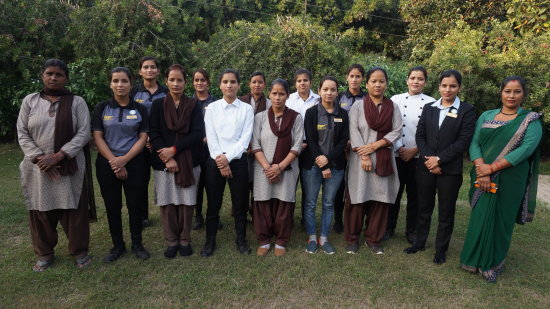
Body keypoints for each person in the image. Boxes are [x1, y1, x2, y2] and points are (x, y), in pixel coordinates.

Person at [460, 76, 542, 282]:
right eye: (507, 91)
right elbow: (474, 142)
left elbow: (526, 149)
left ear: (524, 94)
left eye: (517, 91)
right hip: (481, 175)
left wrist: (492, 168)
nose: (512, 95)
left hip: (510, 178)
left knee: (501, 220)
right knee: (480, 215)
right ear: (501, 92)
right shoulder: (487, 115)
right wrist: (481, 168)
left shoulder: (530, 120)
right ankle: (471, 259)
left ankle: (492, 262)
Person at [17, 59, 93, 272]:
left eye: (59, 74)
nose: (53, 78)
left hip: (68, 165)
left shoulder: (77, 102)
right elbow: (22, 132)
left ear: (66, 78)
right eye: (49, 73)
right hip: (37, 167)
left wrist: (59, 156)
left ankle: (79, 251)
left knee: (74, 210)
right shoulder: (30, 101)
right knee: (40, 210)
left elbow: (84, 133)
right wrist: (40, 158)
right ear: (42, 75)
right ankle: (44, 253)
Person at [404, 70, 476, 265]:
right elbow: (420, 136)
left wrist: (439, 160)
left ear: (459, 88)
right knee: (423, 207)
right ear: (438, 87)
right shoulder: (430, 108)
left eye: (452, 86)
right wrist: (429, 160)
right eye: (444, 85)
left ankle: (441, 250)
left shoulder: (467, 111)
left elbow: (463, 141)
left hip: (449, 171)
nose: (447, 89)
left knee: (446, 212)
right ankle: (419, 242)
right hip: (425, 167)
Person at [92, 67, 150, 262]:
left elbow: (143, 137)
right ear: (110, 83)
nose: (120, 85)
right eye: (116, 81)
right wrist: (114, 162)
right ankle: (117, 245)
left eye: (124, 81)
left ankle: (137, 244)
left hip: (134, 164)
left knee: (135, 205)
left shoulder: (140, 109)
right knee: (112, 206)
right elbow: (97, 137)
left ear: (131, 84)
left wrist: (124, 160)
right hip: (107, 164)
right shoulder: (102, 108)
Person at [345, 67, 403, 255]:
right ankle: (352, 239)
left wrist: (375, 146)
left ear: (386, 83)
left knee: (380, 199)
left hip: (383, 158)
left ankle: (373, 239)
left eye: (381, 81)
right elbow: (353, 130)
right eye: (373, 81)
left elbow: (397, 130)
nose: (377, 85)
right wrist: (364, 155)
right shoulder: (358, 106)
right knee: (357, 198)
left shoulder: (392, 106)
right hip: (359, 160)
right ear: (367, 83)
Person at [149, 64, 205, 258]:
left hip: (189, 160)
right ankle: (171, 240)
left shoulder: (193, 104)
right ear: (166, 81)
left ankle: (185, 239)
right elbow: (154, 132)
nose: (175, 83)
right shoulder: (157, 105)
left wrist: (174, 150)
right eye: (171, 80)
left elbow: (198, 133)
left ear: (185, 82)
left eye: (179, 80)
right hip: (163, 161)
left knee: (187, 201)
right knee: (167, 202)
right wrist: (166, 157)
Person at [201, 69, 254, 257]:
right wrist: (221, 161)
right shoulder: (212, 109)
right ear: (220, 85)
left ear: (239, 85)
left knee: (240, 205)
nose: (229, 85)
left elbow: (244, 139)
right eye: (225, 82)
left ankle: (241, 240)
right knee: (213, 205)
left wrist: (228, 158)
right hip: (215, 162)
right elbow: (211, 137)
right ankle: (210, 241)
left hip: (238, 163)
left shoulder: (247, 109)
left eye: (233, 82)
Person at [251, 78, 303, 256]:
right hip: (262, 168)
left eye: (281, 94)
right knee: (263, 202)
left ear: (288, 96)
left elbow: (297, 146)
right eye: (274, 93)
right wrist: (268, 167)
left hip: (286, 168)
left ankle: (281, 240)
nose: (277, 97)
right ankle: (264, 240)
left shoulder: (296, 117)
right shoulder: (259, 117)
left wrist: (279, 167)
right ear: (269, 94)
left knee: (283, 203)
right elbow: (255, 144)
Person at [384, 66, 435, 243]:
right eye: (413, 78)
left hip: (418, 156)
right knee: (393, 194)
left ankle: (411, 231)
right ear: (407, 80)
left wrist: (415, 150)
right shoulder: (395, 99)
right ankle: (388, 228)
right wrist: (399, 148)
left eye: (420, 79)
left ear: (425, 82)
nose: (416, 82)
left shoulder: (432, 102)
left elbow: (431, 132)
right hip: (396, 154)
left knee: (415, 196)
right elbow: (389, 126)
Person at [302, 76, 349, 254]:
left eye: (333, 89)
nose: (329, 93)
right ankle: (312, 237)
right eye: (325, 89)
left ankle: (324, 238)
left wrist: (327, 160)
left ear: (337, 92)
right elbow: (311, 140)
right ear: (319, 91)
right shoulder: (311, 113)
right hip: (313, 164)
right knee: (310, 203)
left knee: (329, 203)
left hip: (335, 165)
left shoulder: (343, 114)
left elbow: (343, 141)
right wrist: (322, 164)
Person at [130, 56, 168, 228]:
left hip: (161, 143)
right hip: (139, 144)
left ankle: (169, 211)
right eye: (145, 67)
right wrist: (144, 138)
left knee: (165, 177)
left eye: (153, 67)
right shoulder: (133, 92)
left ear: (158, 71)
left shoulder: (166, 91)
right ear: (140, 71)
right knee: (140, 180)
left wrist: (156, 139)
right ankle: (142, 215)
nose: (149, 70)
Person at [333, 63, 366, 233]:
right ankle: (338, 221)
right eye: (351, 76)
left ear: (363, 79)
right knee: (339, 186)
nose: (354, 79)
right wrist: (343, 144)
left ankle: (356, 220)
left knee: (358, 184)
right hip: (341, 148)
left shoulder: (367, 98)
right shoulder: (339, 98)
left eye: (358, 76)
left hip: (361, 149)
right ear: (347, 77)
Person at [286, 68, 320, 227]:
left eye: (305, 80)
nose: (302, 83)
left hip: (311, 147)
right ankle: (288, 218)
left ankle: (306, 220)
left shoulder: (318, 100)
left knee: (308, 186)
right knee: (290, 184)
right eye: (299, 81)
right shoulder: (289, 99)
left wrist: (308, 144)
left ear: (310, 82)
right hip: (292, 147)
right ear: (295, 83)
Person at [240, 72, 272, 218]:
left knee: (257, 182)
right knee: (242, 181)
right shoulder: (241, 102)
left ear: (264, 85)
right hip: (243, 148)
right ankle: (240, 210)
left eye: (260, 82)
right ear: (249, 84)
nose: (257, 85)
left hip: (261, 148)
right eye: (254, 82)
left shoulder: (270, 103)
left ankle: (256, 211)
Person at [191, 69, 219, 230]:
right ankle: (198, 215)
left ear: (208, 82)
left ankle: (212, 215)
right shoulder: (189, 102)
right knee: (197, 185)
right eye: (196, 80)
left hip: (212, 150)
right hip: (194, 150)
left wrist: (210, 138)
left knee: (212, 184)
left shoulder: (216, 102)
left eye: (202, 80)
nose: (199, 83)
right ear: (193, 82)